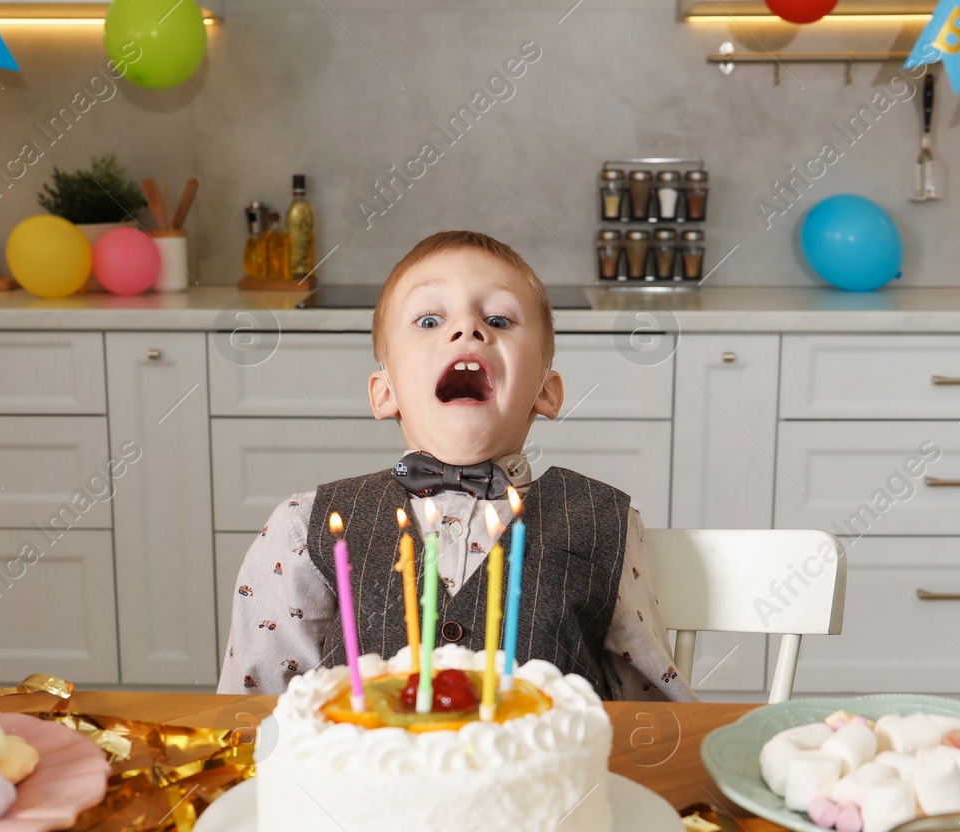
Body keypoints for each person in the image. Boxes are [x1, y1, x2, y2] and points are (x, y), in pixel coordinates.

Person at [219, 230, 694, 701]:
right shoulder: (303, 528)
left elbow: (654, 718)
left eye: (499, 319)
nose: (468, 328)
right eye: (428, 320)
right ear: (385, 393)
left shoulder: (606, 523)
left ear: (546, 392)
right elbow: (253, 717)